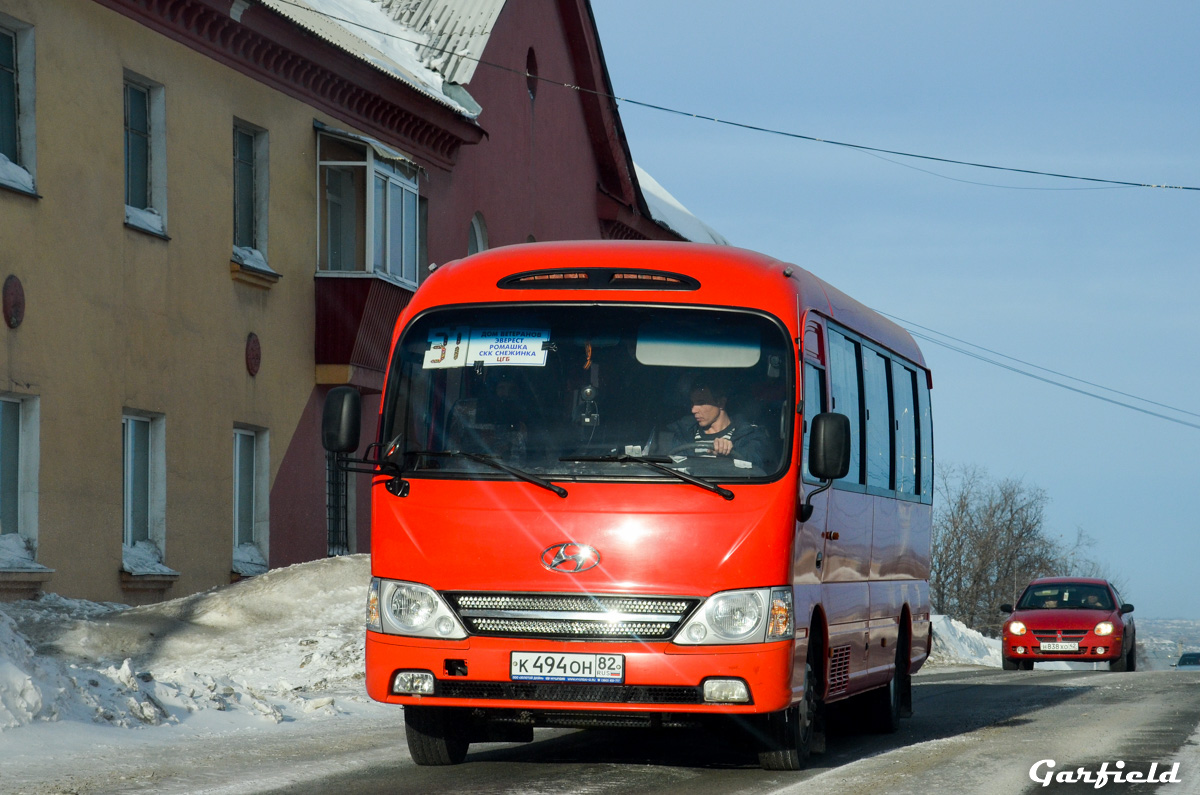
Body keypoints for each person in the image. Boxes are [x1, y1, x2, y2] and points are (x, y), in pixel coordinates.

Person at [659, 380, 767, 469]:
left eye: (701, 403)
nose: (693, 410)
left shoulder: (748, 434)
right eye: (692, 403)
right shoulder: (683, 434)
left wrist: (731, 453)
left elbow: (757, 464)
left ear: (721, 403)